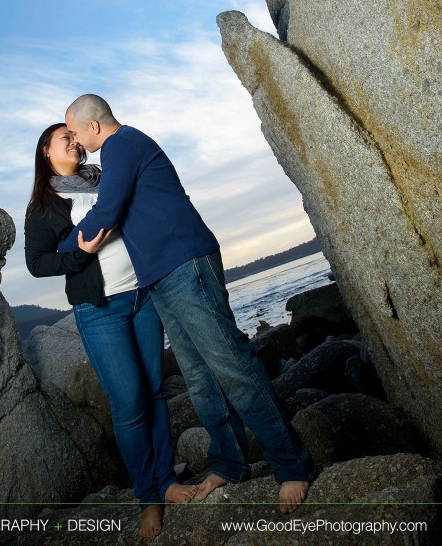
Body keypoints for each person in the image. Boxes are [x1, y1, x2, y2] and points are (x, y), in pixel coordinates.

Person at [58, 96, 314, 514]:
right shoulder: (119, 151)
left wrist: (63, 247)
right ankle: (230, 464)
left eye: (77, 133)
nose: (79, 144)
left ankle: (290, 465)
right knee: (199, 376)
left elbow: (107, 210)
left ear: (94, 126)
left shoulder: (123, 145)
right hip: (161, 276)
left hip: (184, 263)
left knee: (231, 362)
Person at [24, 123, 196, 540]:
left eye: (75, 135)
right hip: (99, 310)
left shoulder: (105, 178)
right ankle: (147, 498)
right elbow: (37, 263)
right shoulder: (44, 207)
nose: (74, 140)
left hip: (143, 295)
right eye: (65, 136)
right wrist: (79, 254)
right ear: (47, 152)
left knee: (154, 391)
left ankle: (167, 481)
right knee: (129, 403)